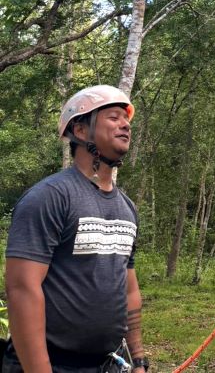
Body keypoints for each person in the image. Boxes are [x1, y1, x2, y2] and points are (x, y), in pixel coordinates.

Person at [3, 85, 149, 373]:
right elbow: (22, 289)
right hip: (48, 364)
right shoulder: (51, 197)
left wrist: (139, 360)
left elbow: (129, 289)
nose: (125, 125)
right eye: (114, 117)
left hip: (105, 363)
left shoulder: (127, 208)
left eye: (127, 119)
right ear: (81, 131)